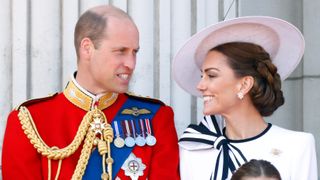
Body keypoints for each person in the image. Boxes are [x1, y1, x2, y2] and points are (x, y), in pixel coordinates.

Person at [2, 5, 179, 180]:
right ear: (87, 48)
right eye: (120, 51)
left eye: (135, 52)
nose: (131, 63)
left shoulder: (156, 117)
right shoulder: (29, 121)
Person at [173, 16, 318, 180]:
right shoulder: (193, 149)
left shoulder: (297, 146)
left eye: (211, 75)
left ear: (244, 84)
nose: (200, 86)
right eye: (202, 76)